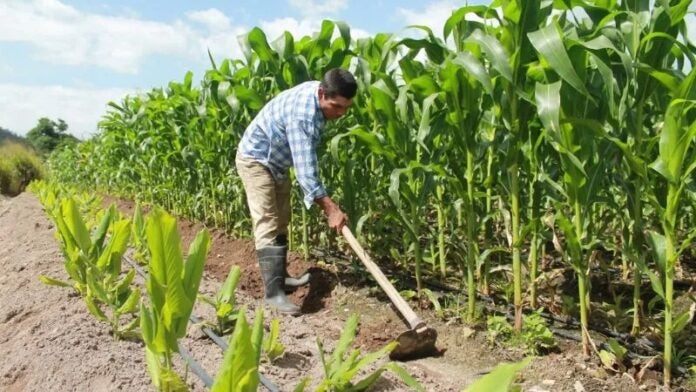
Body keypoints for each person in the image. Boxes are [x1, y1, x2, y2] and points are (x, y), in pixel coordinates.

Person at [235, 68, 357, 315]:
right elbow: (305, 170)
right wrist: (331, 208)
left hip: (278, 162)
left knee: (282, 219)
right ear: (322, 94)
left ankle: (282, 278)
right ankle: (274, 295)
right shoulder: (303, 114)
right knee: (268, 222)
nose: (341, 114)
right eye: (336, 107)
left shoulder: (319, 96)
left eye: (346, 108)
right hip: (256, 160)